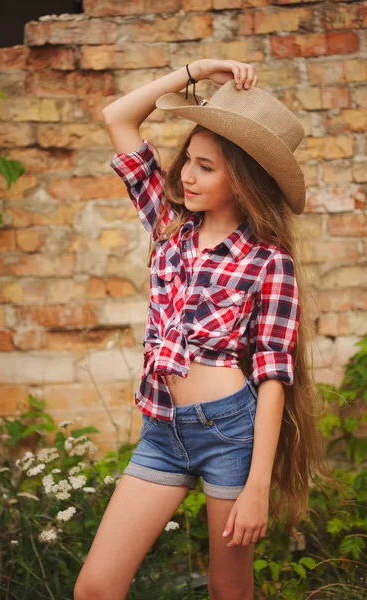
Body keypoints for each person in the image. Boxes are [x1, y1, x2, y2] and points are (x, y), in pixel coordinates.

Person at [74, 59, 331, 600]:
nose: (186, 174)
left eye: (206, 167)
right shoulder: (168, 227)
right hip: (162, 429)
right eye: (188, 159)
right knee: (95, 588)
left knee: (228, 590)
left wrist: (258, 484)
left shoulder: (268, 262)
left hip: (230, 433)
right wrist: (193, 72)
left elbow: (273, 373)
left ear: (243, 180)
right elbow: (118, 117)